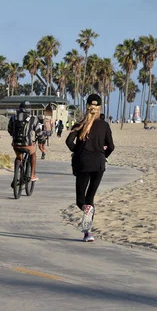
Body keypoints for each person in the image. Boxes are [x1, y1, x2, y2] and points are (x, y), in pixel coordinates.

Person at [65, 94, 114, 242]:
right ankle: (88, 233)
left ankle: (88, 230)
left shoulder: (79, 124)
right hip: (99, 164)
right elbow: (111, 146)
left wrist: (78, 151)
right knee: (90, 198)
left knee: (81, 201)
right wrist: (103, 155)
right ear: (100, 108)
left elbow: (68, 142)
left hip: (83, 163)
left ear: (86, 106)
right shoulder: (104, 125)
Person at [8, 101, 41, 186]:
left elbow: (9, 129)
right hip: (27, 144)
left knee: (18, 157)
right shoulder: (33, 118)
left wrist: (14, 136)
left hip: (16, 144)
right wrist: (41, 138)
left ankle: (15, 177)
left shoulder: (13, 118)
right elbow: (39, 132)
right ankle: (32, 174)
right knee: (33, 154)